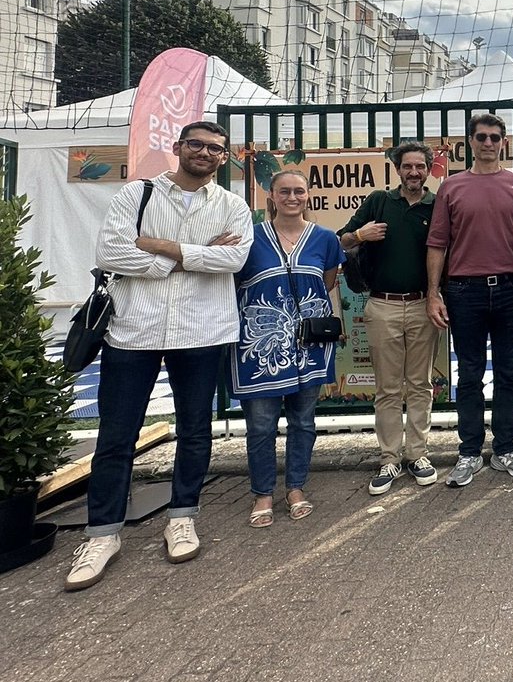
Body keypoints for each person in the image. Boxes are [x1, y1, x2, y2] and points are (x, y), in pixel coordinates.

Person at [65, 121, 253, 592]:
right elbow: (111, 253)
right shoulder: (137, 195)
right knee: (116, 432)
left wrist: (157, 246)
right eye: (197, 144)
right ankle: (102, 534)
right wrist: (191, 255)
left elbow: (232, 261)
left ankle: (183, 515)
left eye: (216, 149)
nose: (206, 153)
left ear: (223, 157)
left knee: (194, 428)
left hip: (201, 331)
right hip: (134, 330)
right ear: (178, 147)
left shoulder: (232, 205)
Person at [426, 114, 513, 487]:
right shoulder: (451, 187)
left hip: (511, 289)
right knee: (470, 375)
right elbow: (437, 243)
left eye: (495, 137)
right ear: (470, 142)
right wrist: (433, 293)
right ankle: (469, 452)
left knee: (509, 373)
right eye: (482, 137)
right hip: (464, 292)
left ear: (504, 142)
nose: (488, 143)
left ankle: (506, 448)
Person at [233, 170, 344, 528]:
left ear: (308, 196)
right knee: (261, 425)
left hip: (309, 346)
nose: (292, 197)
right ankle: (263, 492)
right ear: (272, 196)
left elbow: (326, 283)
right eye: (285, 191)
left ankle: (296, 487)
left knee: (303, 420)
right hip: (260, 348)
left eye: (299, 191)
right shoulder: (249, 238)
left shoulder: (325, 238)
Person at [340, 143, 441, 494]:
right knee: (387, 388)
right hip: (381, 305)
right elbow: (340, 241)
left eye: (420, 166)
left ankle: (417, 454)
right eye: (408, 166)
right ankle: (389, 459)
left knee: (420, 384)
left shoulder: (436, 205)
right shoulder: (378, 202)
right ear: (398, 169)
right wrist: (360, 235)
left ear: (429, 170)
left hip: (422, 305)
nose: (414, 172)